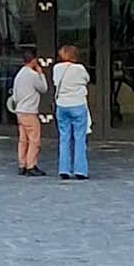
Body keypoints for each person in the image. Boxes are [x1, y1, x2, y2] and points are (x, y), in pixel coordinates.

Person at [52, 43, 92, 181]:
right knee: (79, 138)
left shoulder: (56, 68)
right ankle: (80, 170)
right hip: (78, 104)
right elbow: (87, 79)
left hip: (62, 105)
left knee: (64, 138)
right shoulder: (79, 69)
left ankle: (64, 169)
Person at [11, 46, 48, 177]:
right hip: (30, 111)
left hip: (20, 111)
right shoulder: (32, 75)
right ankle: (31, 165)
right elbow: (44, 88)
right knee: (34, 139)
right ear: (34, 60)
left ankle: (22, 164)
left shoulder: (19, 74)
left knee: (23, 139)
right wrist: (40, 73)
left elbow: (15, 96)